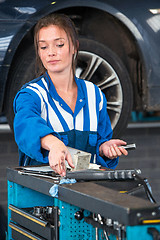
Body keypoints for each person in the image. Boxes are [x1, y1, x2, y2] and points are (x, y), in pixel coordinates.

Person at [13, 13, 128, 177]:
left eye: (59, 44)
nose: (51, 52)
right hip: (41, 194)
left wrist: (104, 148)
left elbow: (100, 141)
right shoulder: (31, 94)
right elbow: (25, 124)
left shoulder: (94, 94)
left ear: (74, 46)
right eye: (43, 47)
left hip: (85, 190)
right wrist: (53, 143)